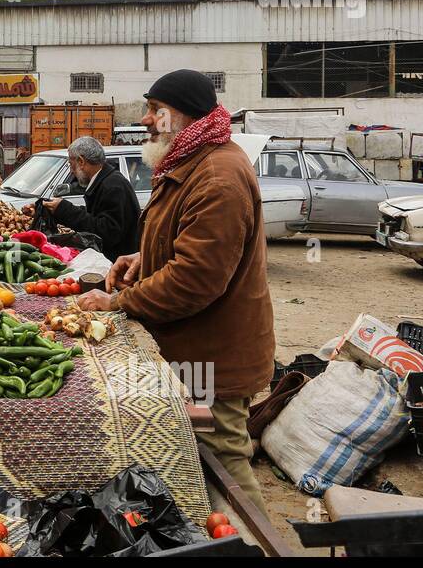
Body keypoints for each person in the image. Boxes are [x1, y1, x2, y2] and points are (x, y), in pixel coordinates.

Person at [78, 70, 275, 513]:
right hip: (197, 344)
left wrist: (120, 301)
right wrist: (142, 259)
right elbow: (184, 243)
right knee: (199, 452)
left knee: (223, 454)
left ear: (181, 114)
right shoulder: (191, 160)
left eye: (155, 110)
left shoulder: (217, 176)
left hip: (216, 355)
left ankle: (257, 545)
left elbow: (196, 278)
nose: (146, 119)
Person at [34, 136, 140, 261]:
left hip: (118, 264)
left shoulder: (113, 185)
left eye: (70, 164)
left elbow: (107, 232)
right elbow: (97, 214)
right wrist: (57, 209)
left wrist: (65, 210)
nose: (71, 170)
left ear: (81, 161)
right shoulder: (105, 181)